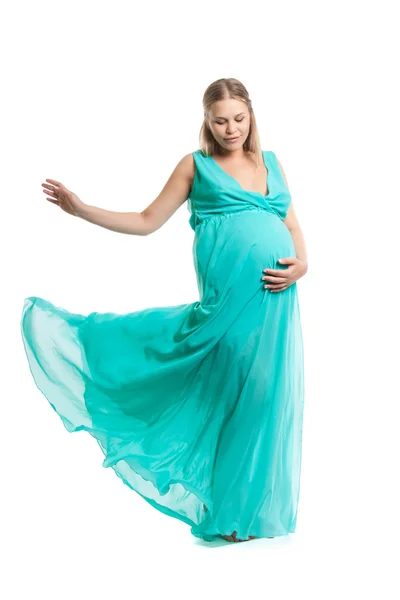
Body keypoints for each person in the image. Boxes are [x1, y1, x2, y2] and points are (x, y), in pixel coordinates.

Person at [21, 77, 308, 544]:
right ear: (206, 122)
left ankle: (247, 515)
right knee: (233, 392)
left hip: (276, 301)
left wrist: (304, 263)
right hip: (227, 307)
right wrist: (82, 210)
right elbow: (146, 221)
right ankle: (230, 515)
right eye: (220, 121)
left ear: (251, 116)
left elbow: (292, 226)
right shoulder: (195, 167)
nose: (230, 129)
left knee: (264, 399)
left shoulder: (270, 163)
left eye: (238, 118)